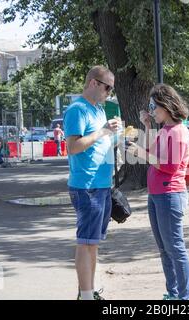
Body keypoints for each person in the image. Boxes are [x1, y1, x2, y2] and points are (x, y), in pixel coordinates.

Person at [127, 84, 189, 300]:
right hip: (157, 195)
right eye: (150, 106)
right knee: (165, 249)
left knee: (175, 248)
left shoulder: (179, 132)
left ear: (166, 105)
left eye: (154, 106)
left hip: (170, 195)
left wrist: (141, 154)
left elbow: (169, 166)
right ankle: (173, 293)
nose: (151, 109)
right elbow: (153, 150)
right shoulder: (165, 129)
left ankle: (184, 298)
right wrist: (147, 125)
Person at [64, 65, 120, 300]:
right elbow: (73, 147)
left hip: (101, 184)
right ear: (93, 83)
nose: (109, 92)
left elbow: (102, 142)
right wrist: (103, 132)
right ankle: (85, 295)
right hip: (86, 185)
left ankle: (89, 291)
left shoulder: (98, 110)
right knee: (86, 242)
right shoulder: (77, 110)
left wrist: (118, 137)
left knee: (93, 242)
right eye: (108, 87)